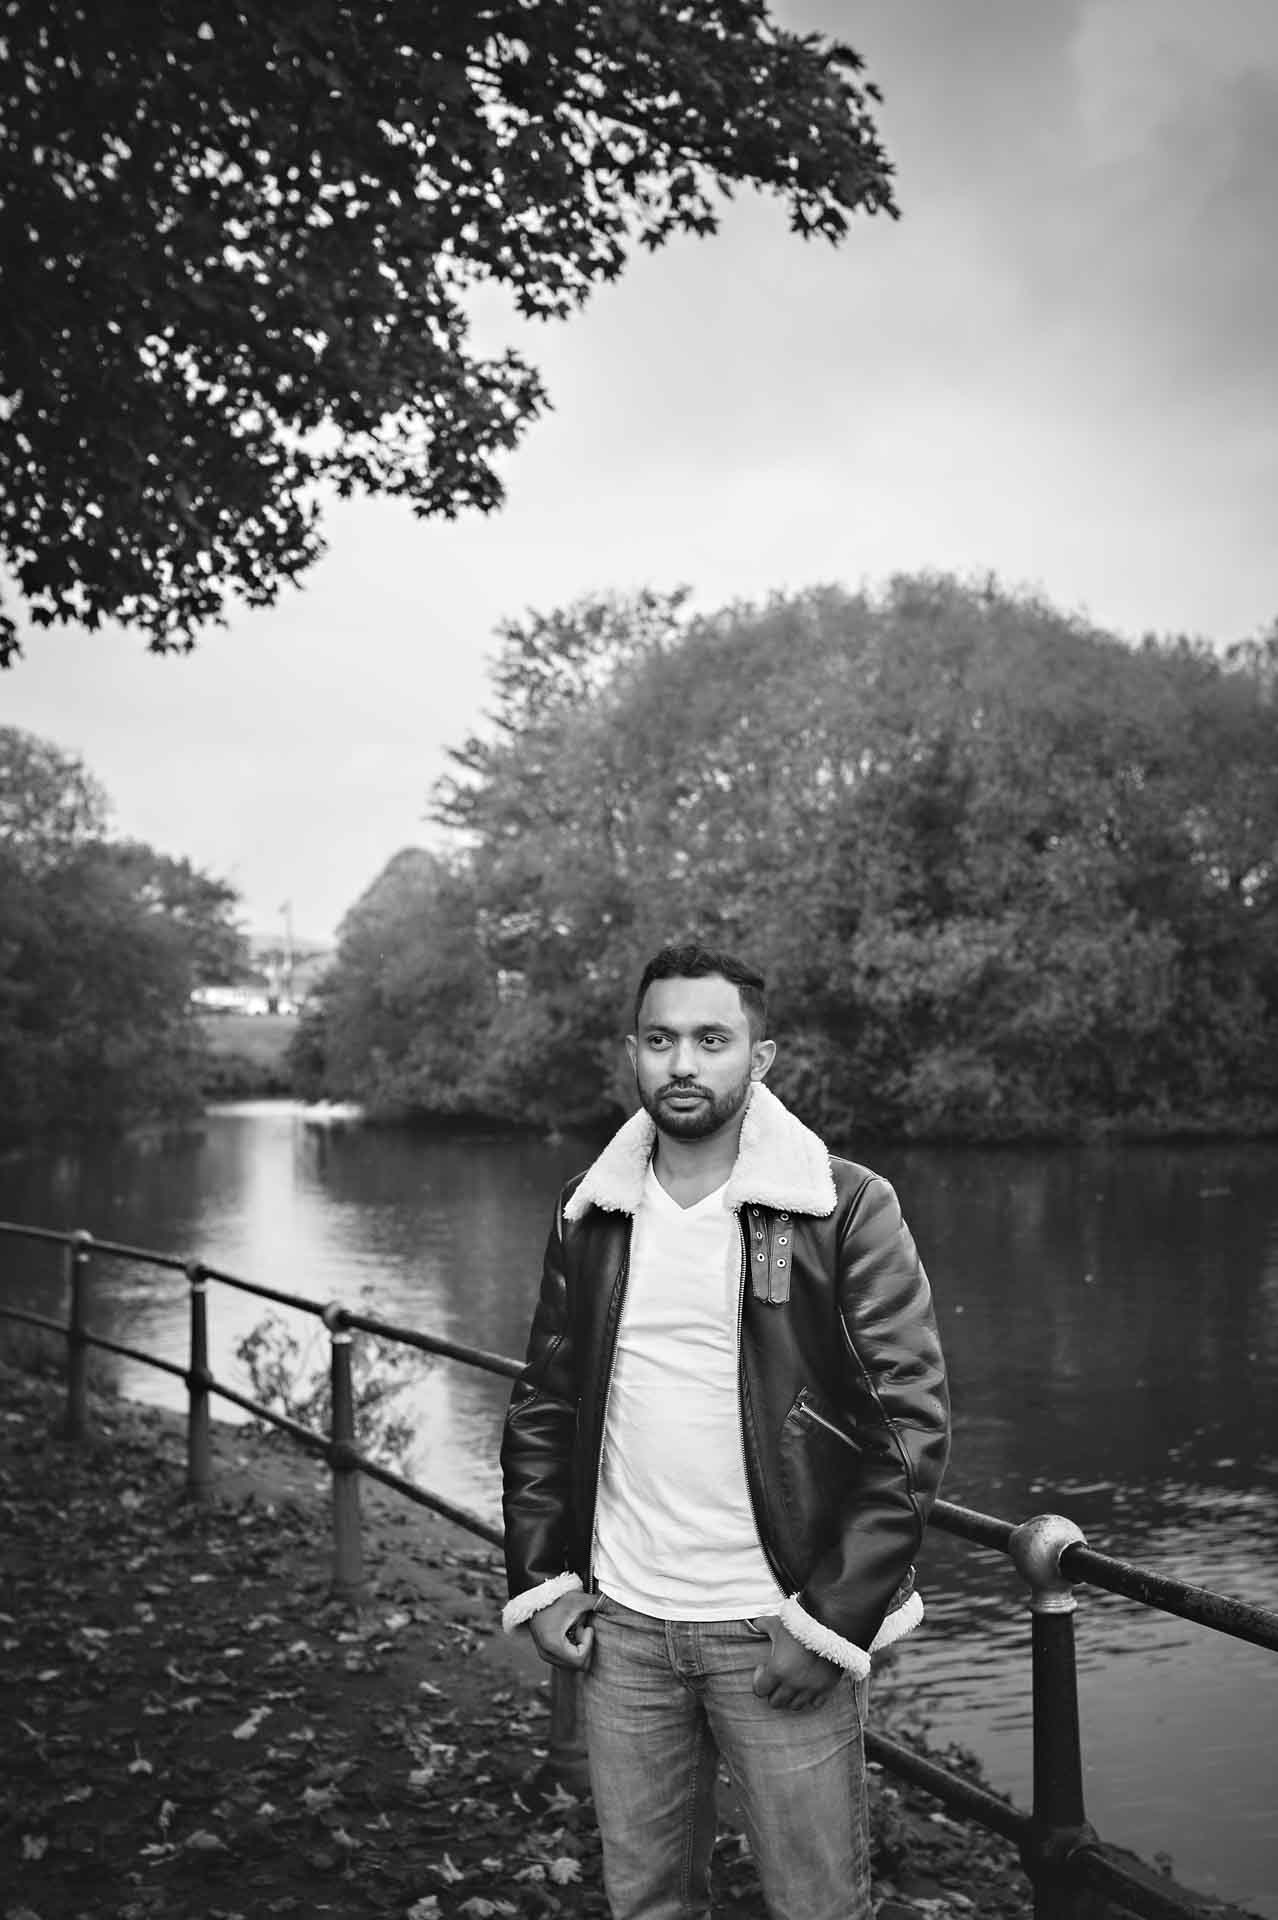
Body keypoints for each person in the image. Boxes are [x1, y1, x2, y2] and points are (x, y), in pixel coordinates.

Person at [499, 944, 950, 1920]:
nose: (684, 1063)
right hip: (621, 1632)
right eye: (661, 1039)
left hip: (775, 1629)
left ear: (763, 1055)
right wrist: (541, 1581)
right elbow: (544, 1403)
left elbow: (908, 1432)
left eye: (713, 1039)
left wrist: (830, 1624)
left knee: (816, 1906)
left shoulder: (843, 1207)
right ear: (634, 1051)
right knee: (649, 1901)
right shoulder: (592, 1209)